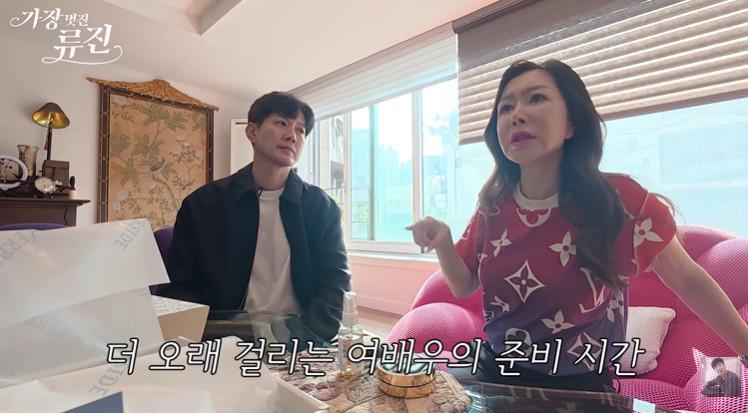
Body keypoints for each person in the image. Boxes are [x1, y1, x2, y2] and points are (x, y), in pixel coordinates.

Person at [407, 59, 748, 393]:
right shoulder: (492, 205)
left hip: (580, 385)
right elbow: (463, 284)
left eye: (536, 98)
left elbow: (689, 280)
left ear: (571, 124)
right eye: (505, 107)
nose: (516, 114)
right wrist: (444, 242)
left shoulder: (619, 200)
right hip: (496, 371)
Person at [158, 91, 351, 341]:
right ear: (252, 132)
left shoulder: (321, 207)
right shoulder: (203, 204)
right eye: (281, 123)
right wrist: (211, 335)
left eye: (301, 130)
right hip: (224, 338)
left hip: (298, 338)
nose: (292, 135)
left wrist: (306, 336)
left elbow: (336, 284)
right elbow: (180, 286)